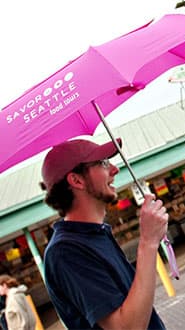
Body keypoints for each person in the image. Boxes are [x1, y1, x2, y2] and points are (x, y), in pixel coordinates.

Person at [40, 138, 168, 330]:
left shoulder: (96, 234)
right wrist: (148, 242)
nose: (115, 170)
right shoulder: (66, 252)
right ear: (76, 180)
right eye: (103, 163)